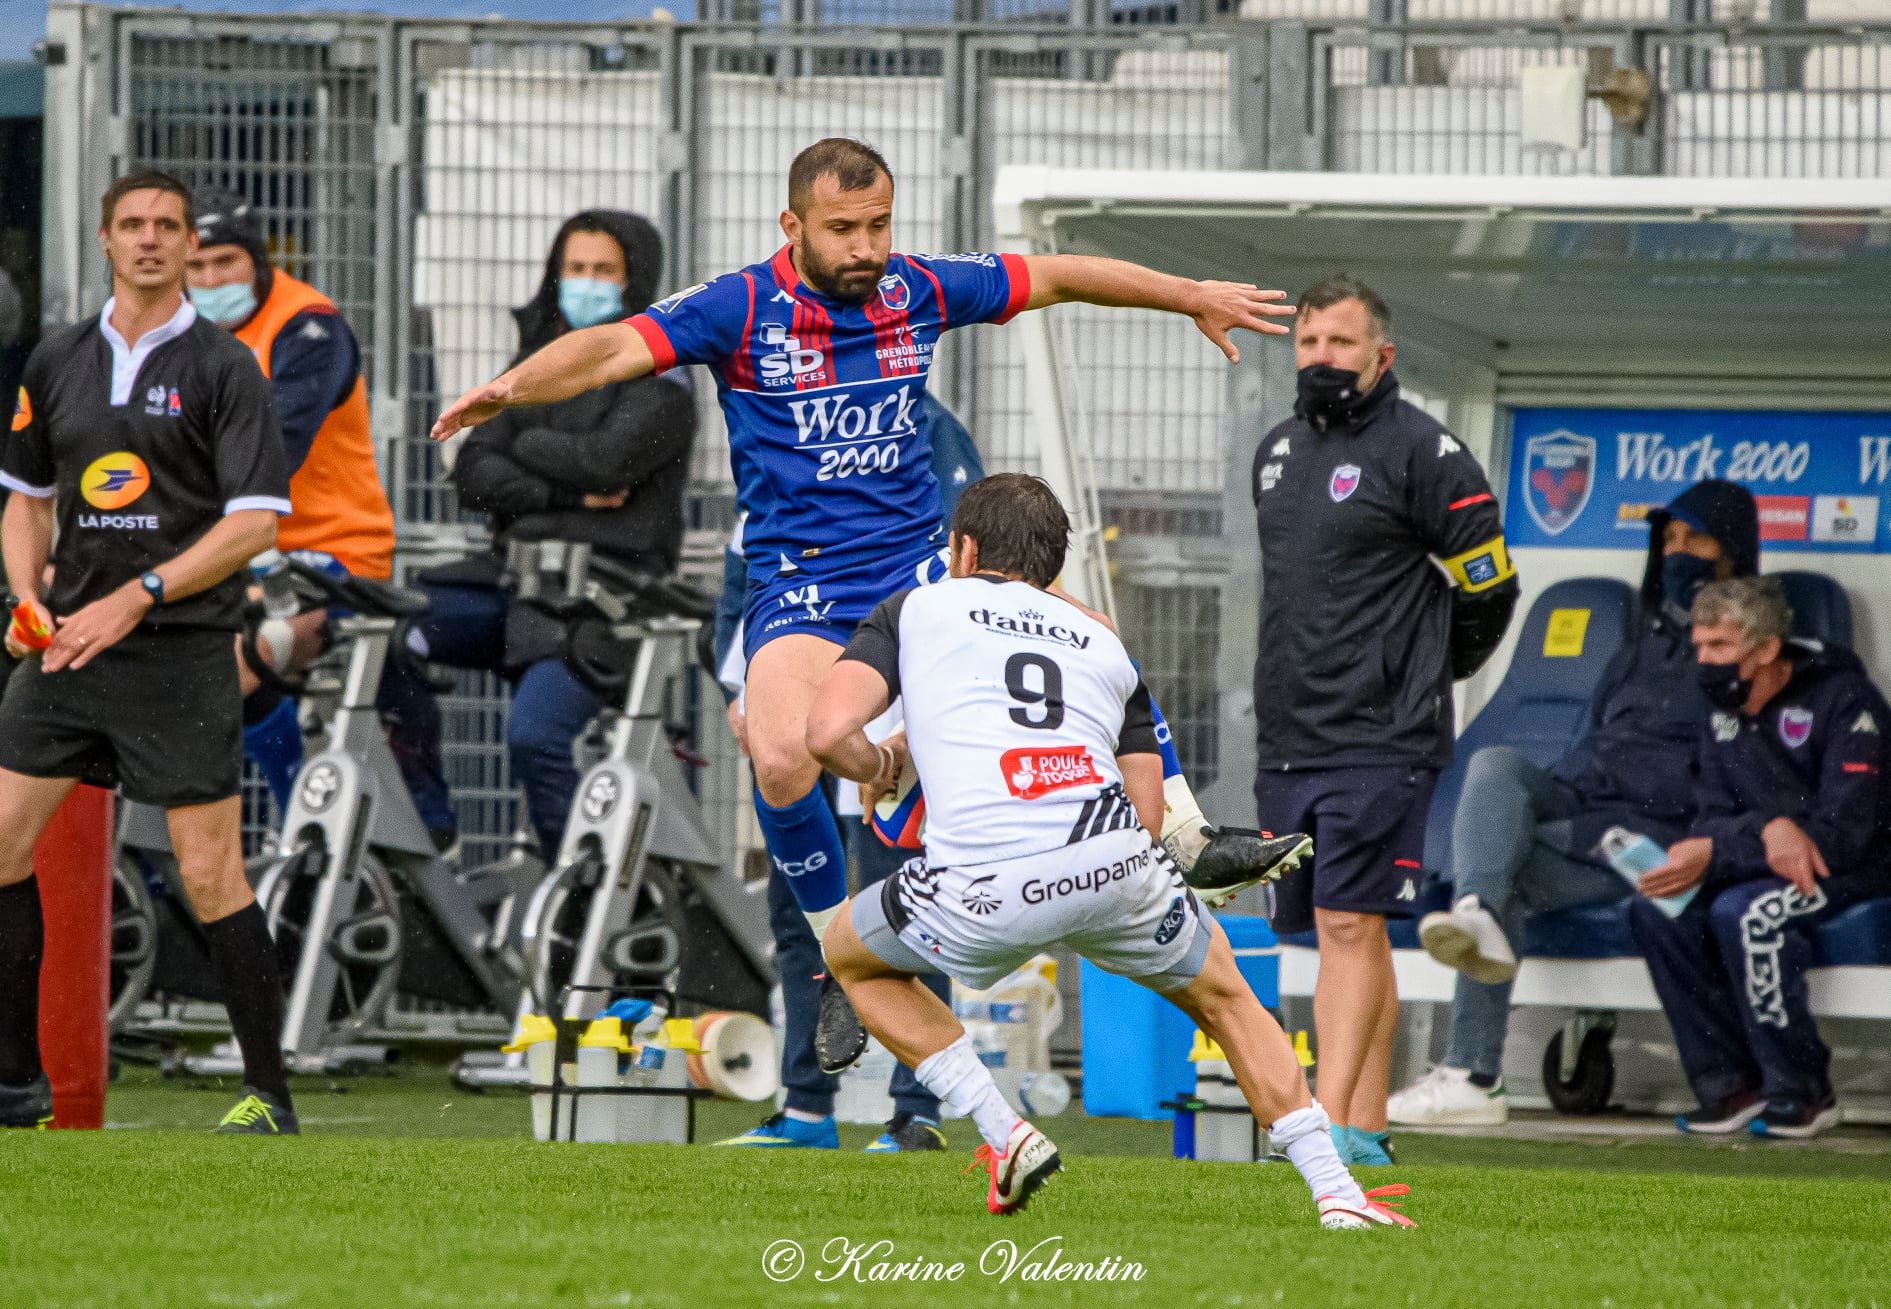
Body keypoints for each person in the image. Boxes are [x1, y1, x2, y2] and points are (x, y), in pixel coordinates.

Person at [430, 139, 1304, 1065]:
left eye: (878, 224)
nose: (864, 247)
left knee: (1085, 629)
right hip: (804, 582)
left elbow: (1055, 275)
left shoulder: (918, 289)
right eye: (842, 229)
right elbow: (616, 344)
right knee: (777, 761)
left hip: (922, 570)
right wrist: (511, 389)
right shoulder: (739, 306)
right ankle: (838, 955)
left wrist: (1190, 296)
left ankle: (1183, 830)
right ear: (792, 226)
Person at [807, 474, 1411, 1228]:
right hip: (1116, 867)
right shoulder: (1100, 637)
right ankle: (1338, 1193)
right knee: (1226, 1000)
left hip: (981, 884)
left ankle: (1005, 1134)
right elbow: (1146, 806)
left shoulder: (917, 607)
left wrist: (885, 766)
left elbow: (827, 734)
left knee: (848, 954)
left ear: (960, 549)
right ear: (1052, 568)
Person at [0, 171, 297, 1133]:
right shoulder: (56, 359)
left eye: (168, 226)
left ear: (185, 246)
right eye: (132, 225)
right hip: (69, 652)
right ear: (103, 241)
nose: (150, 240)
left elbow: (255, 524)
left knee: (211, 874)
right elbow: (26, 499)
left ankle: (268, 1095)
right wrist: (28, 594)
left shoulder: (223, 367)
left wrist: (142, 593)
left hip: (179, 653)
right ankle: (15, 1087)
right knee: (0, 844)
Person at [1390, 480, 1760, 1126]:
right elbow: (1586, 748)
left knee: (1506, 874)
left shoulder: (1746, 657)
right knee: (1494, 764)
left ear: (1730, 550)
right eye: (1667, 541)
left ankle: (1472, 1073)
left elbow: (1731, 775)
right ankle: (1472, 905)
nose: (1676, 553)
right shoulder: (1634, 655)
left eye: (1692, 539)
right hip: (1579, 809)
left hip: (1647, 837)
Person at [1251, 275, 1518, 1165]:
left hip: (1381, 738)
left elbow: (1490, 589)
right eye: (1308, 342)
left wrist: (1423, 675)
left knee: (1348, 923)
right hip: (1290, 736)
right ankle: (1364, 1128)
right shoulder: (1277, 452)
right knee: (1329, 926)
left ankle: (1325, 1133)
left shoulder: (1426, 452)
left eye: (1340, 343)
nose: (1321, 358)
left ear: (1381, 355)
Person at [709, 393, 979, 1152]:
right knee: (801, 922)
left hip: (894, 729)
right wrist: (743, 691)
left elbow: (961, 581)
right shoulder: (777, 427)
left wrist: (918, 710)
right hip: (799, 721)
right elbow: (743, 577)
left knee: (912, 915)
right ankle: (805, 1108)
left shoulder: (928, 429)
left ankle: (916, 1110)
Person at [382, 209, 694, 858]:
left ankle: (579, 875)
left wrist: (521, 437)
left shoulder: (664, 379)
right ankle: (427, 830)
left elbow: (611, 461)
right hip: (509, 587)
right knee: (392, 633)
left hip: (599, 602)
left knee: (534, 736)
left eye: (602, 270)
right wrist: (567, 489)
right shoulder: (533, 363)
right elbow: (469, 474)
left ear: (634, 279)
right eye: (573, 269)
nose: (585, 282)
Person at [1633, 576, 1889, 1139]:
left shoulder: (1847, 701)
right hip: (1759, 861)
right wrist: (1766, 830)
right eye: (1699, 646)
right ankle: (1730, 1085)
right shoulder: (1717, 711)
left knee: (1748, 913)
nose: (1704, 661)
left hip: (1854, 869)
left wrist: (1748, 841)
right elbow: (1709, 818)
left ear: (1767, 649)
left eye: (1719, 647)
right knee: (1658, 907)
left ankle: (1802, 1090)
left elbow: (1843, 837)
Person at [184, 188, 398, 811]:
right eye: (195, 267)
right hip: (224, 555)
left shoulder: (307, 325)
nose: (210, 279)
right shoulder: (174, 332)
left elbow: (274, 450)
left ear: (256, 259)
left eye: (224, 262)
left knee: (230, 664)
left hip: (331, 557)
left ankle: (290, 822)